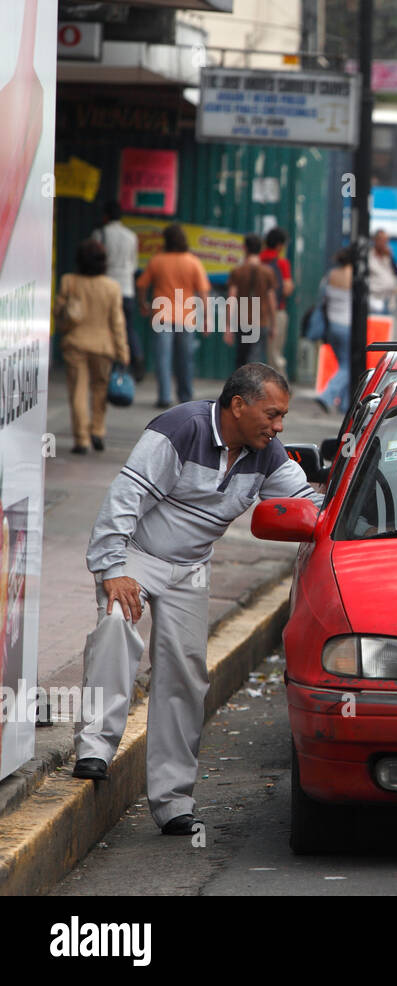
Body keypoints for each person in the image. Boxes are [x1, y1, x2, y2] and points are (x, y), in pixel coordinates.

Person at [71, 364, 324, 834]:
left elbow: (308, 504)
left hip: (190, 567)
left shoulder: (266, 453)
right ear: (237, 405)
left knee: (185, 674)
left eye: (283, 416)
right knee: (115, 624)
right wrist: (113, 569)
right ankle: (95, 747)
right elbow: (123, 499)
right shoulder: (179, 430)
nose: (279, 426)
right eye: (272, 414)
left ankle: (172, 803)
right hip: (137, 554)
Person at [55, 240, 130, 454]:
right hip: (103, 347)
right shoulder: (112, 287)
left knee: (78, 391)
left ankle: (82, 439)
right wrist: (123, 350)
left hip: (75, 343)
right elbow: (117, 322)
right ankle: (97, 430)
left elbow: (59, 310)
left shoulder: (69, 281)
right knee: (100, 390)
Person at [136, 224, 209, 410]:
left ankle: (164, 397)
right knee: (185, 359)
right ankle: (185, 396)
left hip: (162, 316)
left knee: (163, 358)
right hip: (186, 316)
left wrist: (143, 302)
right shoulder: (192, 261)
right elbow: (202, 292)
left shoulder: (157, 261)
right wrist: (206, 319)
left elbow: (142, 284)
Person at [91, 202, 145, 381]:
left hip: (105, 288)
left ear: (106, 216)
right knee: (127, 327)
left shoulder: (99, 234)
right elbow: (134, 265)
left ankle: (108, 367)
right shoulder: (131, 237)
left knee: (105, 327)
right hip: (126, 289)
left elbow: (93, 262)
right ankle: (135, 359)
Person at [225, 234, 277, 368]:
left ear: (245, 248)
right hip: (261, 322)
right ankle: (252, 388)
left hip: (242, 322)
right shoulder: (268, 272)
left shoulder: (237, 271)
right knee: (256, 361)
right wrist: (274, 324)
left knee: (241, 361)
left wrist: (228, 326)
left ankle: (240, 387)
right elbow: (272, 301)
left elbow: (231, 299)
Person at [315, 247, 355, 414]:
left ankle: (345, 404)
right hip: (347, 326)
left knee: (343, 364)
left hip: (332, 326)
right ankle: (327, 396)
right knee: (347, 366)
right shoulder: (353, 276)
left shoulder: (331, 276)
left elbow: (323, 298)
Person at [258, 227, 294, 375]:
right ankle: (280, 390)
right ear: (280, 245)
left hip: (254, 313)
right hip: (276, 311)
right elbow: (286, 289)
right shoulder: (281, 263)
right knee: (274, 355)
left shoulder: (257, 260)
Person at [368, 229, 397, 314]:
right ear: (375, 240)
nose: (384, 243)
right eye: (382, 240)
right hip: (375, 296)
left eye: (386, 241)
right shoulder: (369, 255)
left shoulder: (387, 255)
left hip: (388, 297)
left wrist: (391, 257)